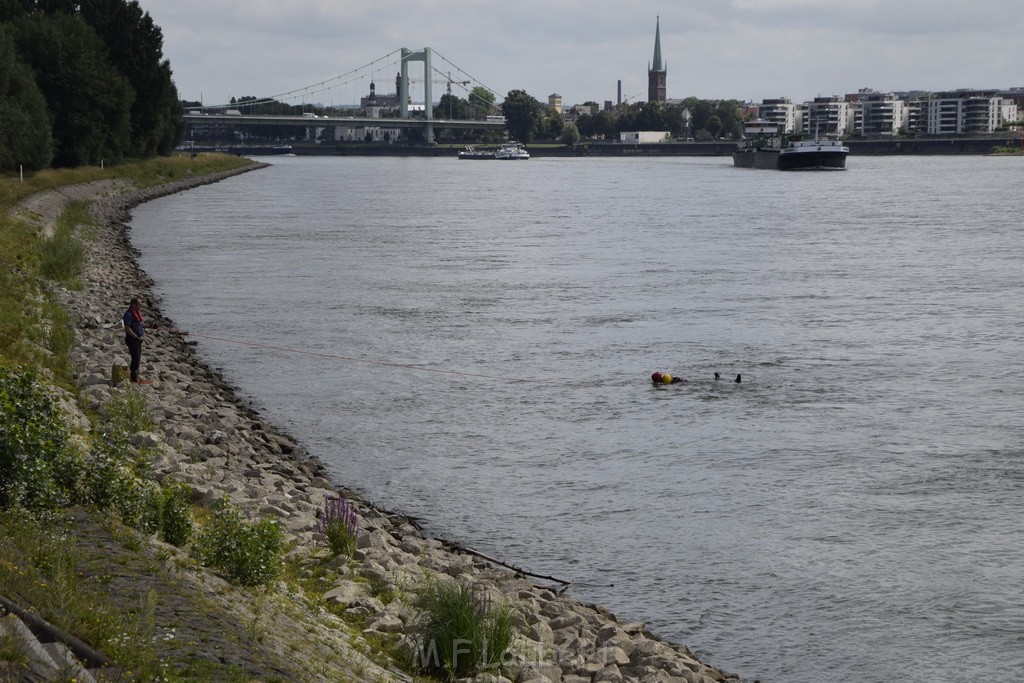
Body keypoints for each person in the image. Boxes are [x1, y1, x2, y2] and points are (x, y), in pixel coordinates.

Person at [122, 297, 149, 384]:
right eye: (139, 305)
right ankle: (133, 379)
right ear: (134, 305)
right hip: (132, 340)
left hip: (137, 340)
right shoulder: (128, 315)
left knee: (138, 358)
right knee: (135, 358)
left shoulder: (135, 313)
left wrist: (150, 325)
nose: (140, 306)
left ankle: (136, 377)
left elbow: (140, 324)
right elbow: (127, 328)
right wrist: (136, 337)